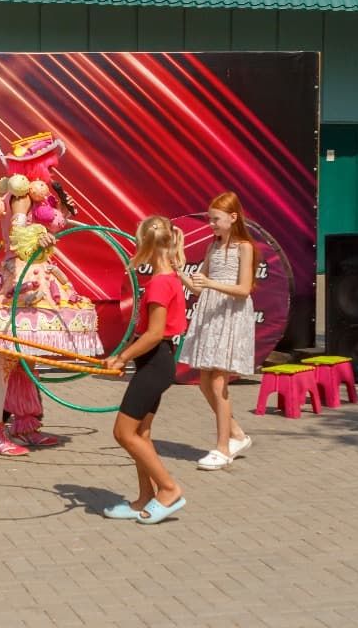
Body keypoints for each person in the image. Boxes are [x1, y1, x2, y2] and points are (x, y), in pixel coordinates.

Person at [0, 132, 103, 455]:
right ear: (36, 167)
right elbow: (18, 234)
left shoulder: (29, 196)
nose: (52, 172)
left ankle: (25, 425)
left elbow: (33, 227)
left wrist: (62, 215)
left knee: (24, 358)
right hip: (21, 280)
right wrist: (40, 237)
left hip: (34, 274)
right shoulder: (22, 197)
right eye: (49, 166)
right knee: (6, 360)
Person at [102, 216, 188, 525]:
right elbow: (148, 334)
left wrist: (123, 357)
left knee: (123, 433)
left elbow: (154, 334)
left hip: (155, 363)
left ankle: (168, 489)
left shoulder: (160, 284)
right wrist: (121, 357)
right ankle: (144, 497)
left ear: (146, 247)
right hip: (155, 361)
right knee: (141, 434)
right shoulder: (167, 278)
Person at [178, 192, 256, 470]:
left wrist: (210, 283)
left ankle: (223, 448)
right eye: (210, 219)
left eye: (216, 219)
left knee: (218, 382)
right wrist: (180, 272)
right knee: (204, 382)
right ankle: (237, 434)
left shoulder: (244, 247)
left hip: (231, 315)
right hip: (211, 314)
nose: (211, 224)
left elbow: (244, 289)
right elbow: (199, 287)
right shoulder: (213, 247)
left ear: (233, 218)